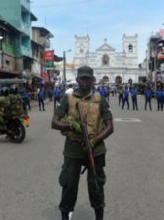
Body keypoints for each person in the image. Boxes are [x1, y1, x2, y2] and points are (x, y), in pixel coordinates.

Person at [51, 65, 114, 220]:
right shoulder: (68, 99)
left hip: (96, 148)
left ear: (92, 80)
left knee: (96, 184)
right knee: (69, 184)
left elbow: (110, 127)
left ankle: (99, 216)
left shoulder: (100, 99)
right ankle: (65, 215)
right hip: (73, 147)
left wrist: (94, 140)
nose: (85, 82)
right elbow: (54, 122)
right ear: (77, 79)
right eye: (82, 78)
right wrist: (71, 125)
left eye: (88, 78)